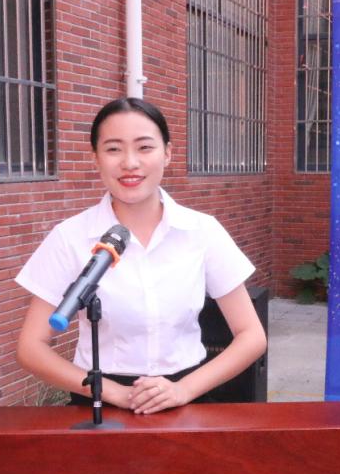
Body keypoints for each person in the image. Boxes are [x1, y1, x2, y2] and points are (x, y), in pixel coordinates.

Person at [15, 97, 266, 414]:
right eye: (113, 149)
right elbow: (31, 347)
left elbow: (251, 335)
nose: (130, 162)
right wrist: (116, 393)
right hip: (99, 404)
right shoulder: (70, 237)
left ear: (167, 153)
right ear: (96, 158)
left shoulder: (202, 231)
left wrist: (183, 390)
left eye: (145, 147)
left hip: (187, 399)